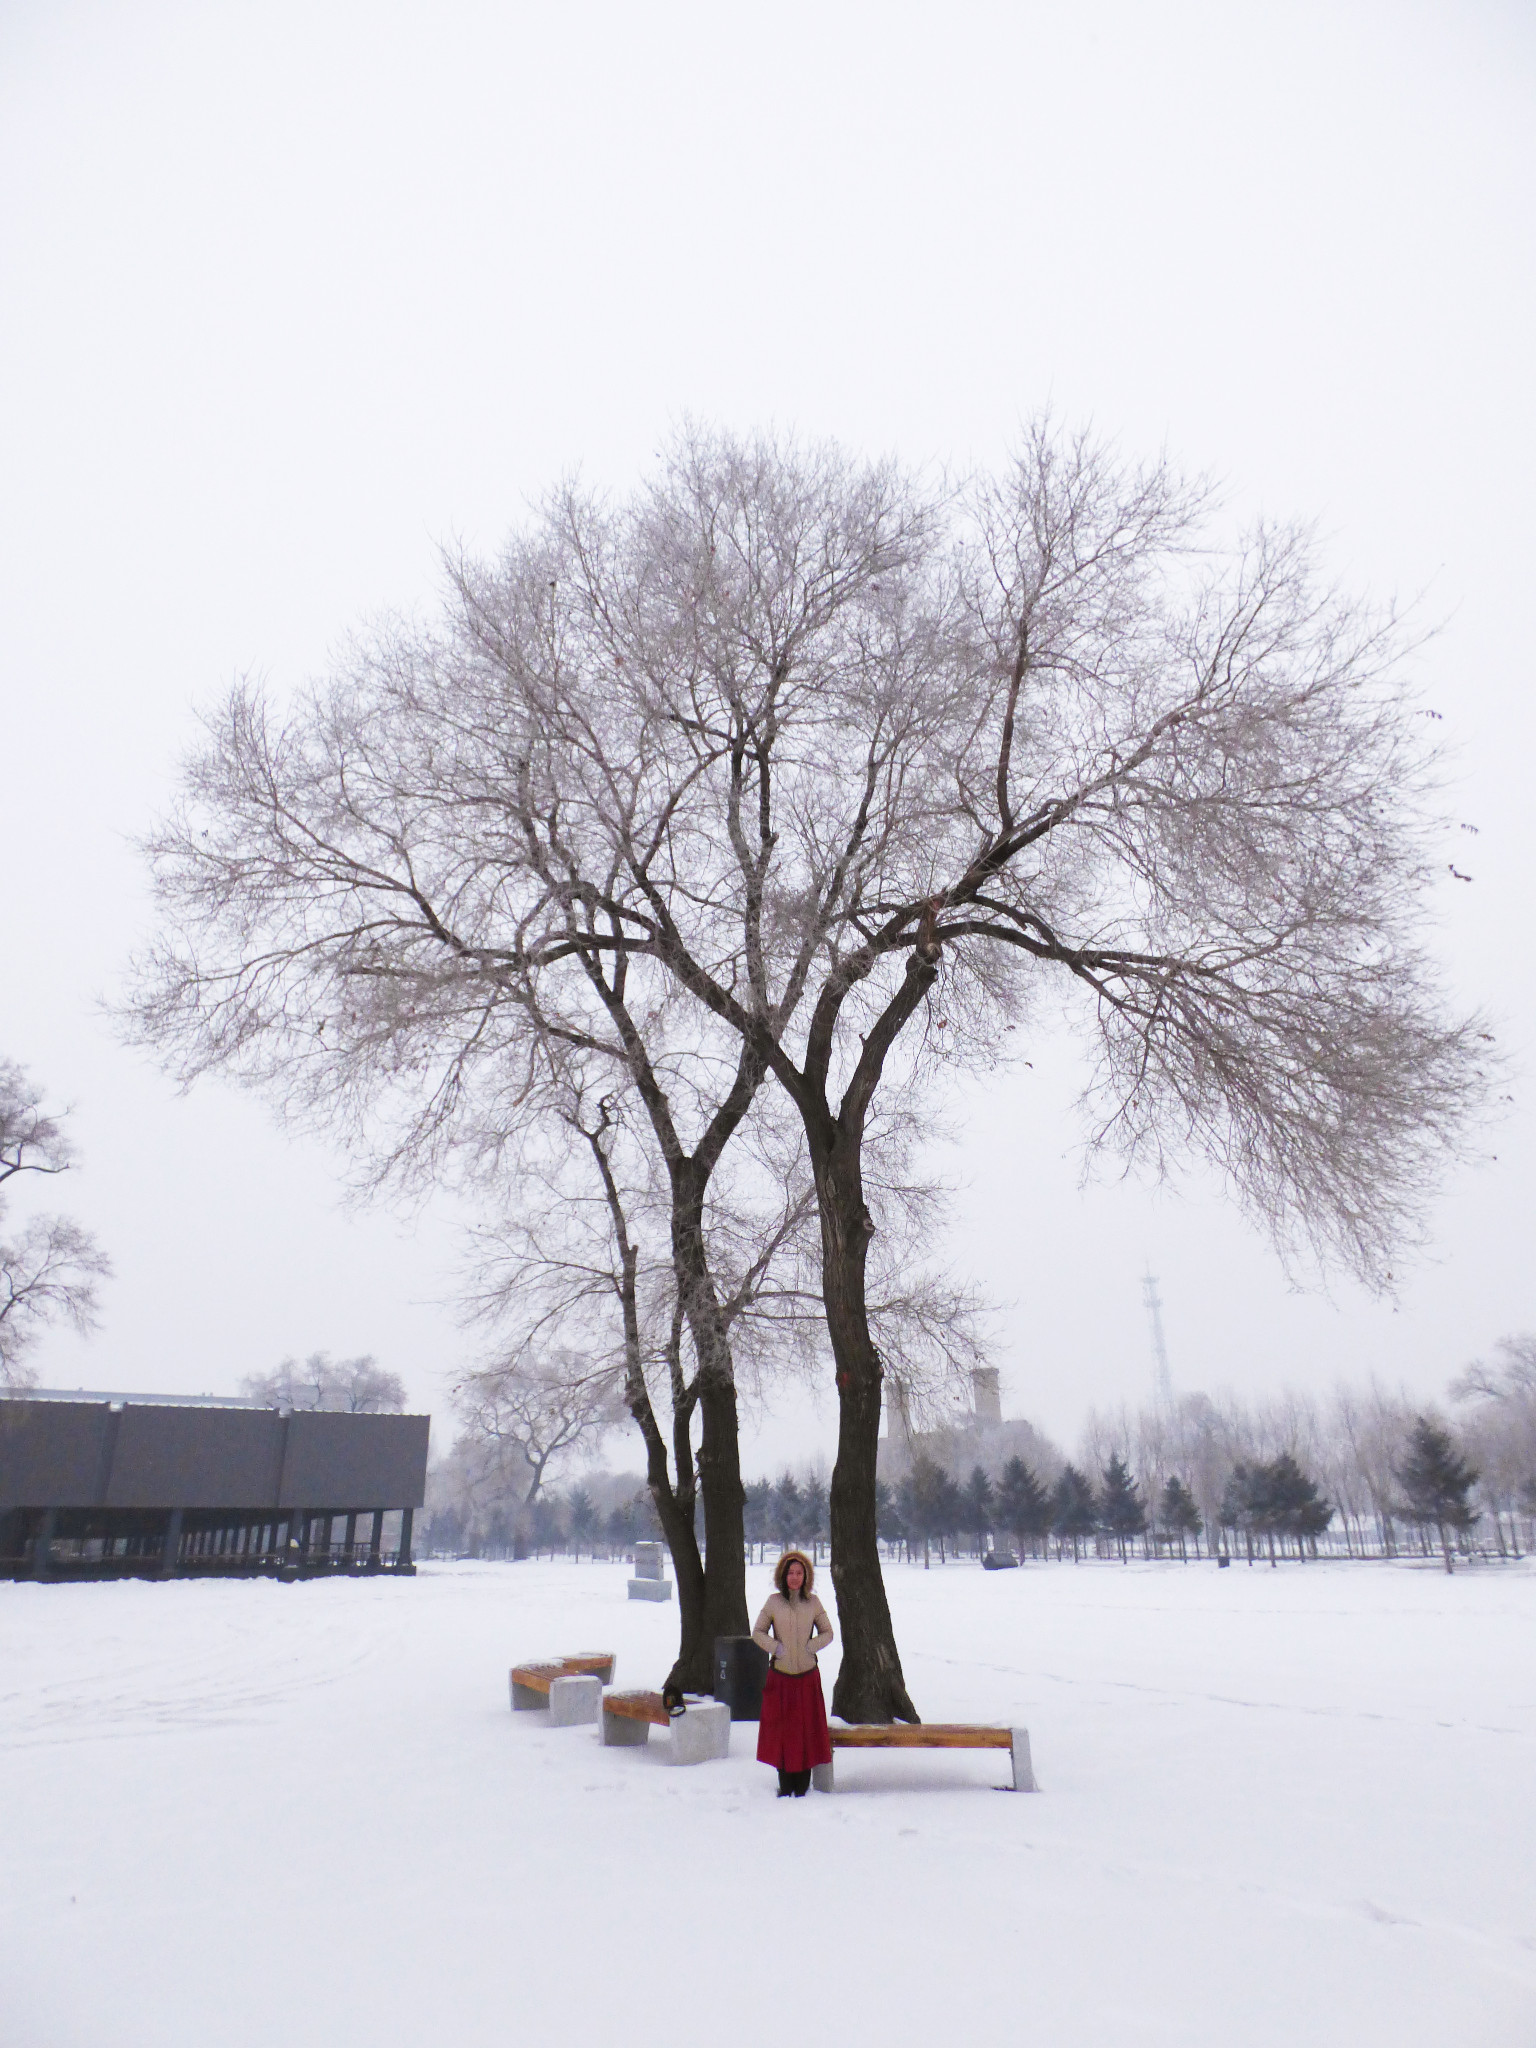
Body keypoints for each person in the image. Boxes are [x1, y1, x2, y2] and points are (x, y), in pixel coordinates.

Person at [752, 1549, 834, 1796]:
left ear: (806, 1575)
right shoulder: (773, 1602)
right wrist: (776, 1648)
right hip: (781, 1677)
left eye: (799, 1572)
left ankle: (802, 1784)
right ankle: (785, 1782)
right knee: (783, 1731)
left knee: (806, 1730)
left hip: (807, 1677)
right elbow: (758, 1632)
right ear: (783, 1575)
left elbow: (828, 1632)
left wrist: (811, 1647)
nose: (795, 1577)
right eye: (791, 1573)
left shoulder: (814, 1603)